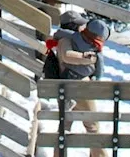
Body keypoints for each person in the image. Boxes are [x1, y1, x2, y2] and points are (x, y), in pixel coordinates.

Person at [45, 12, 110, 157]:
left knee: (65, 127)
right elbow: (68, 57)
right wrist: (89, 59)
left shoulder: (71, 40)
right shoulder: (65, 40)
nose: (83, 28)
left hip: (69, 88)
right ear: (73, 25)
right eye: (80, 24)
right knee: (92, 127)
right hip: (78, 88)